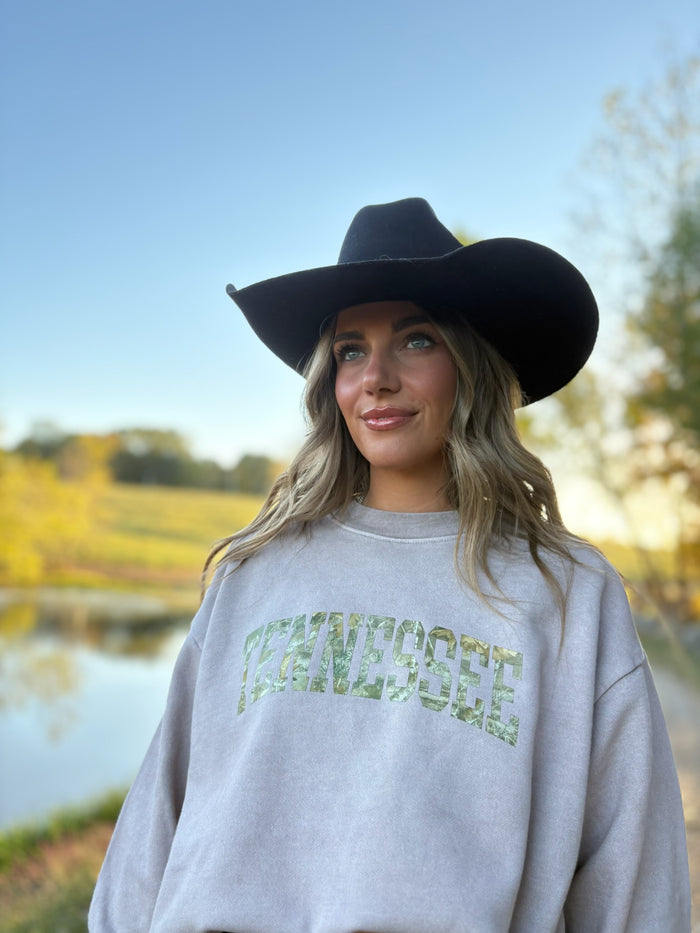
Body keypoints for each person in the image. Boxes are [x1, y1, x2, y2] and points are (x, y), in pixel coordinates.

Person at [89, 198, 691, 932]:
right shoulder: (255, 574)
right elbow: (155, 827)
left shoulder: (566, 593)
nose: (374, 377)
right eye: (350, 350)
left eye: (416, 340)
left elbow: (635, 880)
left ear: (469, 365)